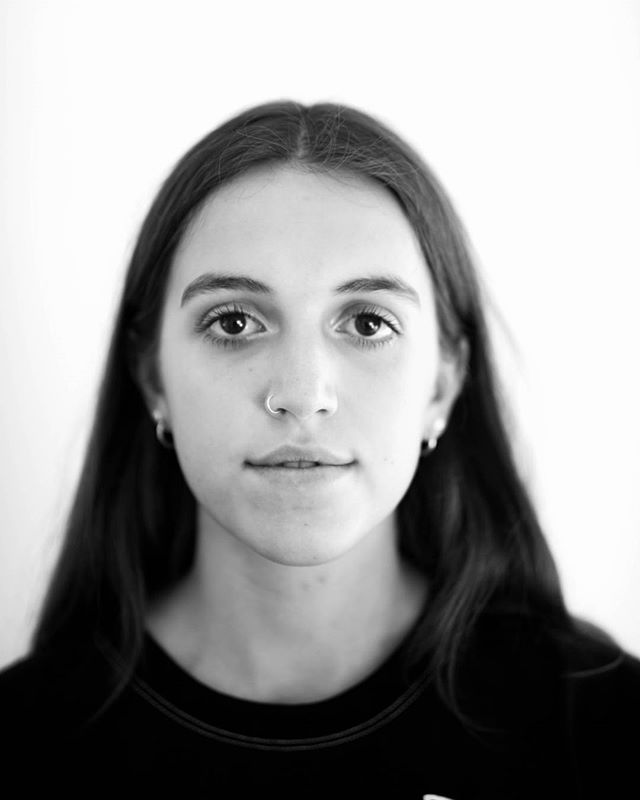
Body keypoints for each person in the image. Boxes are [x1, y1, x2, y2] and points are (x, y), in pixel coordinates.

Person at [0, 100, 638, 799]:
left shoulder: (602, 727)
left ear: (444, 382)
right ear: (154, 378)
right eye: (234, 320)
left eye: (367, 321)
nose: (302, 393)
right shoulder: (25, 741)